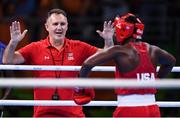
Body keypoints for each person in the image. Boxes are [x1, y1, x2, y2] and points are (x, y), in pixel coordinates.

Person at [2, 8, 114, 117]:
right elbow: (7, 61)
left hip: (73, 114)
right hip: (43, 114)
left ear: (67, 27)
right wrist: (13, 42)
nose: (59, 27)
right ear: (47, 27)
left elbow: (106, 56)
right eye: (55, 24)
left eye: (62, 24)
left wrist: (108, 40)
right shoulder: (35, 48)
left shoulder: (79, 47)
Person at [77, 13, 176, 117]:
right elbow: (171, 61)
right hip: (153, 109)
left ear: (123, 30)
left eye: (116, 30)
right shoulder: (153, 50)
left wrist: (80, 87)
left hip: (129, 110)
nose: (115, 33)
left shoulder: (119, 51)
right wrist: (157, 80)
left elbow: (87, 64)